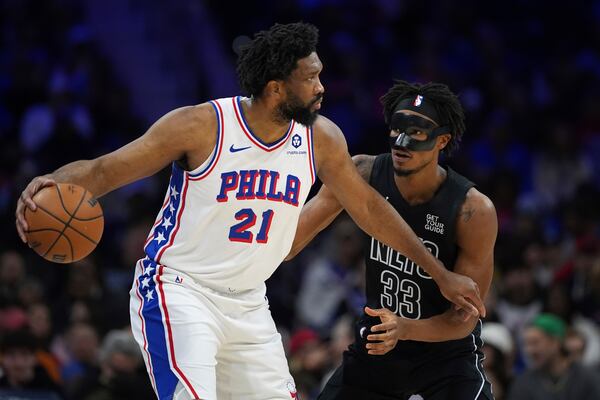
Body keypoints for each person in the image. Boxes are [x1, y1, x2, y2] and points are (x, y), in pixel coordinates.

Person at [15, 23, 484, 400]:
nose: (323, 86)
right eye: (312, 77)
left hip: (248, 301)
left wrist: (439, 274)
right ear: (278, 88)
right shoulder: (201, 126)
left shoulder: (322, 138)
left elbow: (369, 210)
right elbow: (102, 171)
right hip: (179, 289)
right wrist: (51, 183)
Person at [288, 80, 497, 399]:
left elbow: (463, 320)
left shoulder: (473, 210)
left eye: (416, 132)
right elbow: (296, 236)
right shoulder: (363, 172)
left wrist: (406, 328)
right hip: (379, 340)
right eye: (398, 127)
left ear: (442, 140)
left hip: (445, 353)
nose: (402, 141)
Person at [507, 313, 600, 400]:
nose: (529, 350)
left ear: (555, 343)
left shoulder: (586, 379)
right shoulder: (524, 384)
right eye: (526, 344)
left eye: (535, 343)